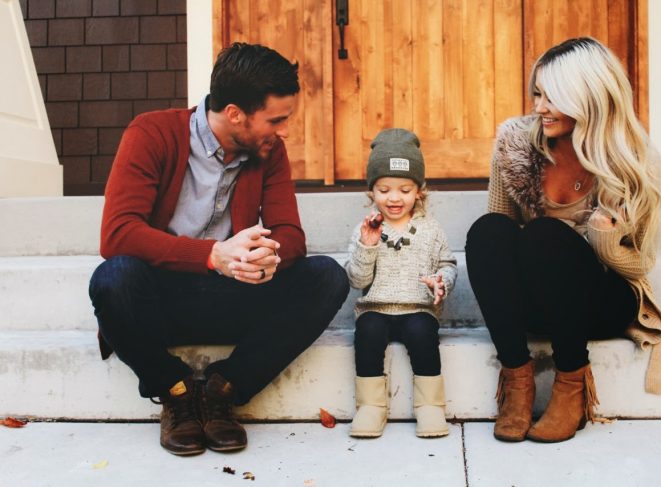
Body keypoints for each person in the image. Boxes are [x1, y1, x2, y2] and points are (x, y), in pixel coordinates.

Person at [88, 43, 349, 456]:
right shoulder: (151, 133)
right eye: (276, 120)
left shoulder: (268, 151)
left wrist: (266, 256)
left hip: (233, 296)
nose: (284, 131)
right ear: (234, 114)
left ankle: (222, 390)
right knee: (113, 277)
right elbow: (118, 234)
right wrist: (212, 255)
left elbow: (291, 235)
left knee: (327, 276)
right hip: (159, 301)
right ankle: (174, 392)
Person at [465, 37, 661, 443]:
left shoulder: (633, 159)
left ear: (588, 95)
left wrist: (606, 241)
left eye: (551, 96)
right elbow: (499, 242)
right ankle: (517, 383)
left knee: (546, 236)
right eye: (537, 94)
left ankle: (572, 385)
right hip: (538, 300)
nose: (539, 106)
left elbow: (641, 265)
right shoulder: (516, 145)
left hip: (602, 300)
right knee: (487, 231)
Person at [344, 128, 457, 439]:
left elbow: (448, 264)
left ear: (419, 191)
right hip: (376, 307)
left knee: (423, 334)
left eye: (405, 190)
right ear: (372, 192)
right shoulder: (365, 229)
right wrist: (367, 246)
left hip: (417, 307)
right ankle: (371, 406)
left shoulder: (431, 229)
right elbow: (357, 279)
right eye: (384, 190)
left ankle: (430, 406)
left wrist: (441, 281)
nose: (394, 198)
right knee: (367, 334)